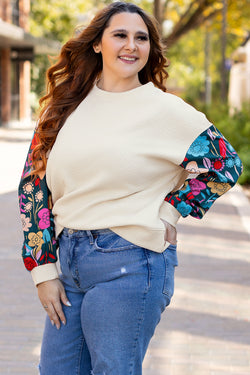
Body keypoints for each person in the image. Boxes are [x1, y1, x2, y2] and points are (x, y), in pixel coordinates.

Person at [18, 2, 243, 374]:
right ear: (97, 44)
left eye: (141, 38)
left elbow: (225, 164)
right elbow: (33, 189)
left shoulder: (166, 111)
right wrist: (42, 270)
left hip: (129, 259)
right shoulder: (64, 108)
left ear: (150, 49)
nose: (131, 45)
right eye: (120, 35)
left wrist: (172, 209)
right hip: (68, 262)